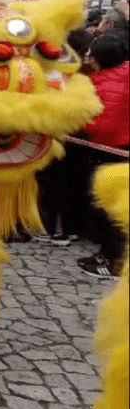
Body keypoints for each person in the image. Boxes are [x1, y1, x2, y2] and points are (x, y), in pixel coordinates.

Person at [78, 32, 130, 280]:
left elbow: (103, 125)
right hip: (114, 148)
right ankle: (105, 254)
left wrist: (76, 117)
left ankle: (112, 262)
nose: (88, 57)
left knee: (113, 209)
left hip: (116, 150)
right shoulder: (118, 75)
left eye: (92, 53)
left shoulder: (112, 84)